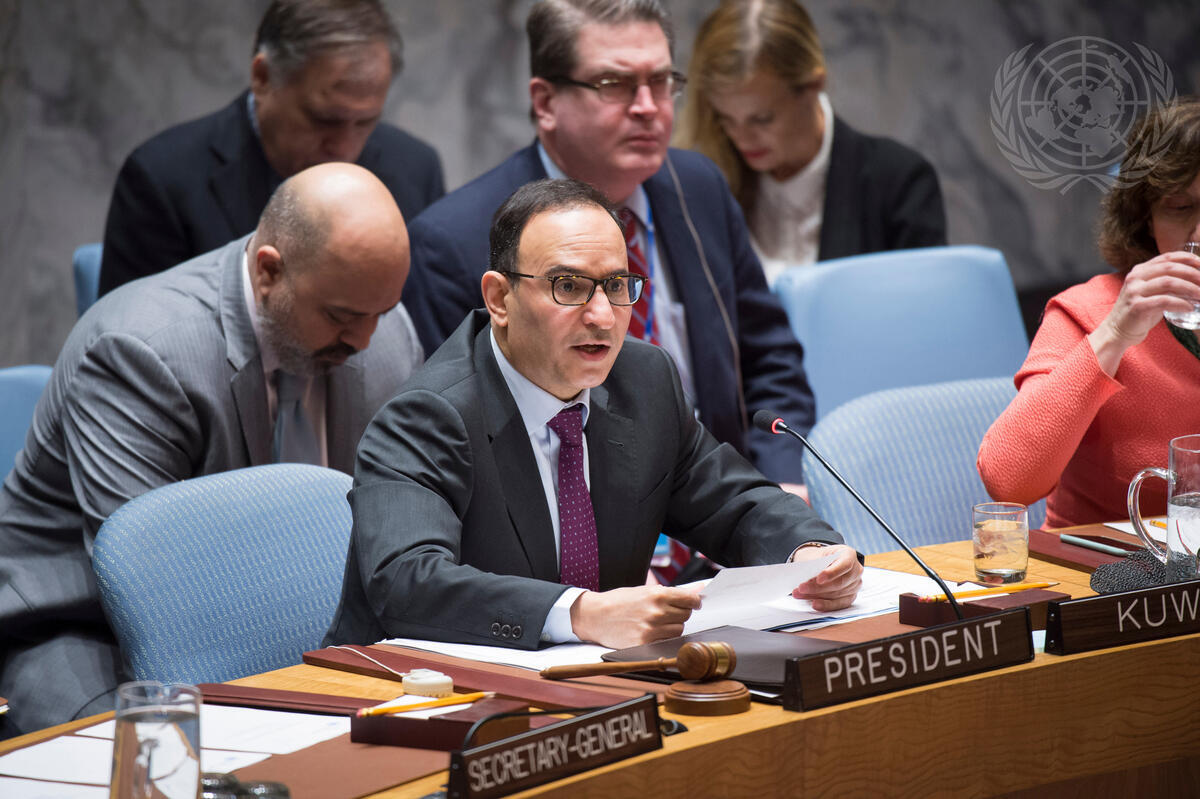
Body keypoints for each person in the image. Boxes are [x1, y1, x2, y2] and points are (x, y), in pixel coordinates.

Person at [325, 178, 862, 652]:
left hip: (591, 687)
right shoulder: (426, 418)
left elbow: (733, 503)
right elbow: (408, 581)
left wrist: (808, 552)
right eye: (569, 286)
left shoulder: (643, 381)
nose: (603, 316)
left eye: (616, 285)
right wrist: (580, 613)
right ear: (500, 299)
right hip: (406, 696)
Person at [0, 162, 423, 738]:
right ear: (268, 271)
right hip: (81, 625)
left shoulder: (381, 332)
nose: (366, 340)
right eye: (342, 317)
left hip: (307, 621)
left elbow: (404, 518)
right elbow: (158, 590)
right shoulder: (140, 353)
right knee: (162, 758)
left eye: (380, 313)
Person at [401, 0, 816, 492]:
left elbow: (771, 361)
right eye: (614, 84)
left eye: (660, 81)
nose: (647, 106)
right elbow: (467, 442)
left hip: (722, 506)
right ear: (545, 102)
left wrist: (781, 482)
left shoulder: (698, 188)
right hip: (572, 521)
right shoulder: (455, 243)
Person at [98, 0, 444, 296]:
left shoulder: (415, 170)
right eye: (324, 120)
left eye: (365, 122)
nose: (344, 148)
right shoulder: (162, 179)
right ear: (263, 77)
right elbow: (134, 335)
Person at [978, 99, 1200, 528]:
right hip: (1108, 565)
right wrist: (1115, 333)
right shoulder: (1087, 313)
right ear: (1145, 219)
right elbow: (1007, 482)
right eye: (1180, 207)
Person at [674, 0, 946, 284]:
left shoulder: (898, 182)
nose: (741, 137)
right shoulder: (702, 184)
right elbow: (669, 294)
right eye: (725, 119)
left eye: (762, 119)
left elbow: (926, 305)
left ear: (814, 85)